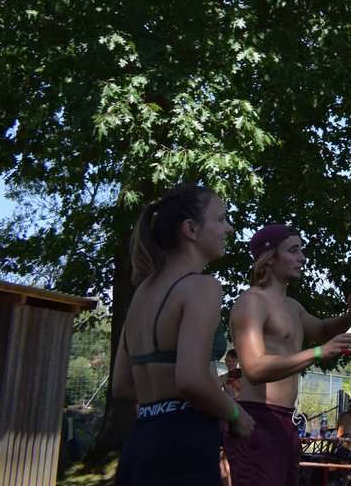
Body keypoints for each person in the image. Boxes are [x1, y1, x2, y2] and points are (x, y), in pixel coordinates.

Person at [113, 185, 254, 486]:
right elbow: (191, 379)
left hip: (138, 444)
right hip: (182, 451)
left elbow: (122, 384)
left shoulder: (141, 293)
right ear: (191, 229)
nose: (229, 228)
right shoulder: (202, 287)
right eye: (221, 219)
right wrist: (234, 414)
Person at [226, 223, 351, 486]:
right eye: (293, 250)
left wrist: (350, 315)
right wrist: (317, 353)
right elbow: (254, 369)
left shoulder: (292, 306)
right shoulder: (251, 301)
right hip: (258, 420)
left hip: (286, 421)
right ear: (269, 259)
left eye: (301, 250)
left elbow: (323, 330)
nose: (302, 258)